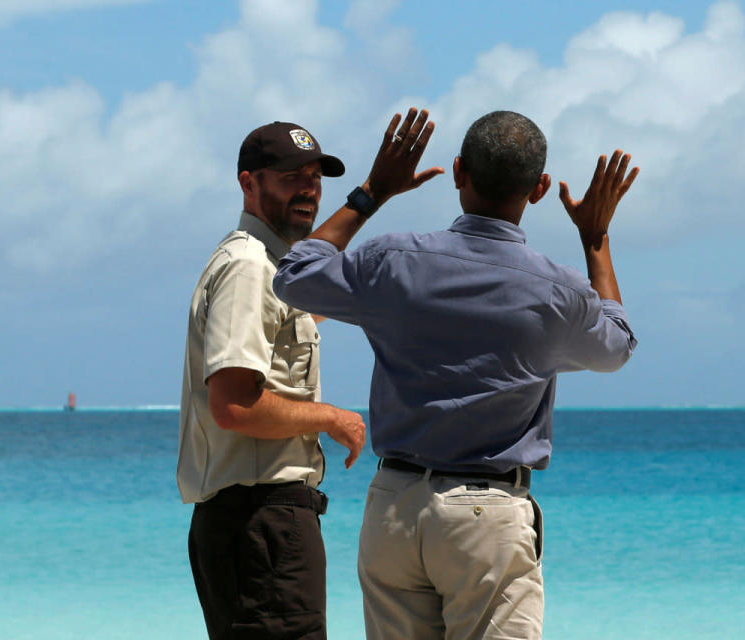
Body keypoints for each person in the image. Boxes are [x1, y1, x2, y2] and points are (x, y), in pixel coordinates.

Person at [273, 109, 639, 639]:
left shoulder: (393, 259)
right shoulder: (557, 292)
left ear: (459, 172)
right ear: (538, 190)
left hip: (394, 508)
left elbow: (295, 275)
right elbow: (618, 345)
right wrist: (596, 240)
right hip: (487, 516)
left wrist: (372, 191)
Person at [176, 121, 368, 639]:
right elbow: (234, 405)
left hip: (254, 527)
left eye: (314, 177)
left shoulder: (265, 263)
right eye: (290, 177)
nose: (308, 189)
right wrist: (332, 417)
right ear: (249, 184)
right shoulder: (248, 269)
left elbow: (307, 274)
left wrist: (371, 197)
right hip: (261, 526)